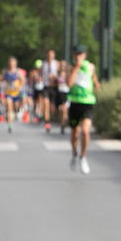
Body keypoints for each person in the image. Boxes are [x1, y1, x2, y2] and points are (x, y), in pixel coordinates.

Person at [66, 45, 100, 175]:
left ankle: (83, 157)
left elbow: (93, 78)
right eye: (76, 54)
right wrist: (76, 67)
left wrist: (96, 83)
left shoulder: (90, 66)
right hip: (75, 102)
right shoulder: (70, 67)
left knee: (85, 131)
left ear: (85, 55)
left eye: (81, 54)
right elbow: (69, 83)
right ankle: (75, 154)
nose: (78, 56)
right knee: (75, 133)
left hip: (88, 102)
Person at [1, 57, 26, 131]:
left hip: (16, 93)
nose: (11, 64)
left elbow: (23, 81)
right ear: (8, 63)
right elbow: (2, 80)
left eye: (13, 62)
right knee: (9, 106)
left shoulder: (18, 71)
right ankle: (10, 125)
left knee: (15, 108)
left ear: (15, 63)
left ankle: (16, 112)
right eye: (10, 62)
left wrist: (18, 85)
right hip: (8, 93)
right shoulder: (5, 71)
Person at [40, 49, 62, 131]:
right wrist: (39, 78)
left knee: (53, 108)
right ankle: (47, 123)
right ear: (46, 55)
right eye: (49, 54)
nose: (50, 56)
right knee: (46, 104)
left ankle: (56, 118)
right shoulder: (44, 64)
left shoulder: (57, 64)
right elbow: (40, 74)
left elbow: (61, 76)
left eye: (52, 54)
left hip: (54, 88)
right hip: (46, 87)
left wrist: (55, 77)